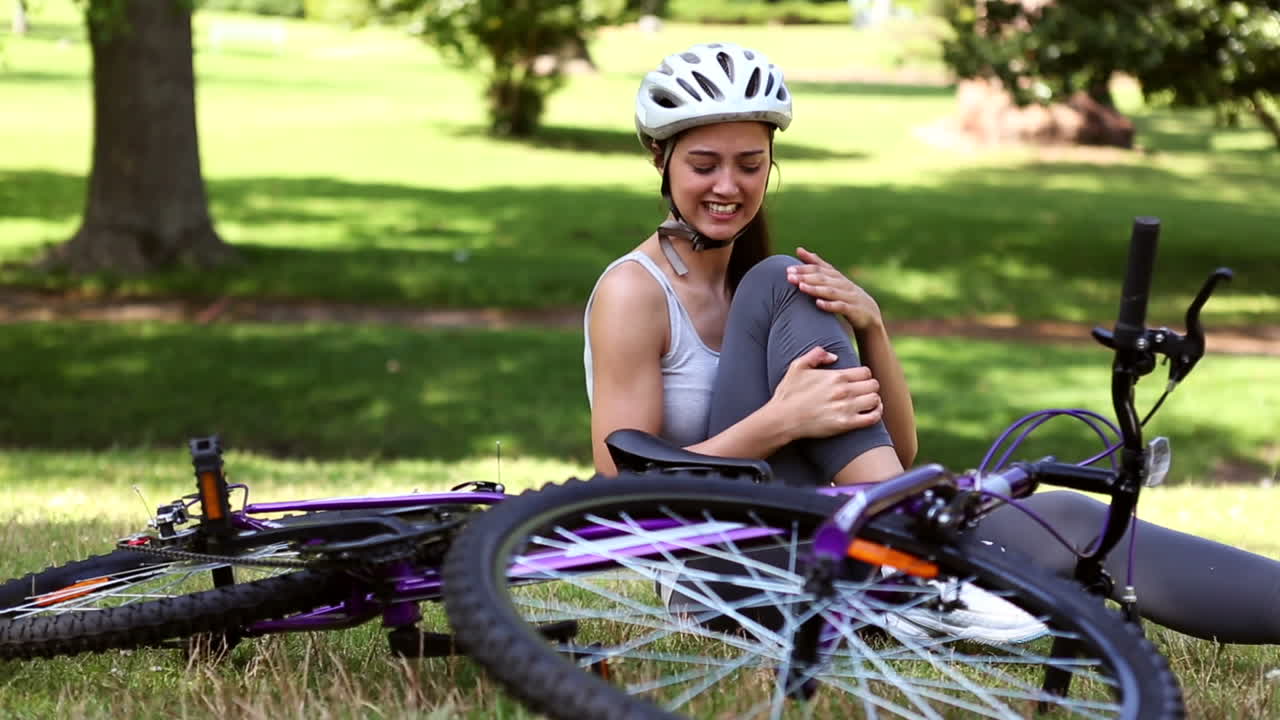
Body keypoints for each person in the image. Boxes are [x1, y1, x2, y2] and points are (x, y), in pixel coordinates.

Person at [583, 41, 1280, 644]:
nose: (729, 186)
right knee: (781, 279)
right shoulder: (635, 292)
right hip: (717, 572)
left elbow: (897, 452)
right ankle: (915, 562)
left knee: (1070, 520)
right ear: (660, 158)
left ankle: (915, 560)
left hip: (819, 534)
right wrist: (779, 423)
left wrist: (872, 328)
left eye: (750, 163)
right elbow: (622, 498)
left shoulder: (756, 283)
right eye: (704, 164)